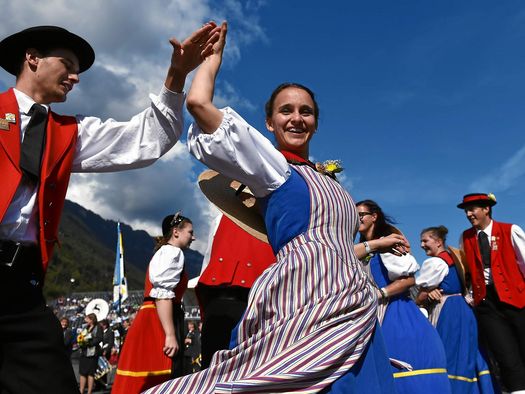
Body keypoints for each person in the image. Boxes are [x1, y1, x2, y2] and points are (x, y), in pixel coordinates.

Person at [145, 22, 410, 394]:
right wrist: (211, 61)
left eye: (306, 111)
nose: (297, 118)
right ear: (269, 122)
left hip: (351, 303)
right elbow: (198, 105)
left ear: (316, 123)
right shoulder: (272, 168)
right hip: (302, 299)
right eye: (286, 111)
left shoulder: (332, 184)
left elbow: (335, 249)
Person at [0, 23, 218, 394]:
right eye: (67, 64)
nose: (75, 78)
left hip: (21, 285)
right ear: (32, 58)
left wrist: (177, 74)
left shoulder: (69, 131)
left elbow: (145, 139)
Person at [355, 199, 451, 394]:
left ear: (374, 217)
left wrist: (380, 293)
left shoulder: (390, 243)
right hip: (370, 311)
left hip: (394, 310)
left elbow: (408, 280)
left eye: (361, 215)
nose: (358, 219)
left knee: (399, 358)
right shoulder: (364, 248)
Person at [112, 213, 195, 393]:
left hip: (155, 315)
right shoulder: (172, 252)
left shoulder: (165, 252)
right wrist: (170, 334)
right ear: (176, 232)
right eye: (190, 232)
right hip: (157, 319)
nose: (193, 237)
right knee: (160, 376)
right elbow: (163, 295)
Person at [416, 225, 497, 393]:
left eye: (425, 240)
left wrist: (426, 293)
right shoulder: (454, 258)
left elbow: (420, 296)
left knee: (446, 351)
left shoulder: (435, 262)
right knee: (467, 352)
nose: (422, 245)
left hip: (447, 310)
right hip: (463, 309)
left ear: (438, 242)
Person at [457, 193, 525, 393]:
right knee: (504, 353)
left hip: (517, 297)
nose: (469, 214)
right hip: (486, 303)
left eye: (473, 209)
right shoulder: (465, 237)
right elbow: (468, 270)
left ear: (486, 209)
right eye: (466, 211)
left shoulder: (510, 230)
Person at [196, 211, 276, 368]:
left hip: (217, 305)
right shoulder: (275, 218)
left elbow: (207, 265)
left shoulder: (220, 218)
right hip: (258, 308)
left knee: (212, 374)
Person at [78, 313, 103, 394]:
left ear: (92, 320)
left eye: (87, 319)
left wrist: (90, 343)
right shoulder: (86, 327)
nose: (86, 320)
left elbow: (99, 338)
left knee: (90, 373)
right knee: (82, 372)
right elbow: (82, 336)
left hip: (92, 353)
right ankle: (81, 390)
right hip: (84, 352)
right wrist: (81, 341)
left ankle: (89, 391)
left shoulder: (98, 327)